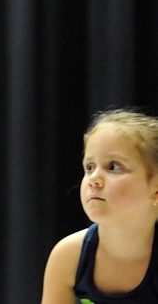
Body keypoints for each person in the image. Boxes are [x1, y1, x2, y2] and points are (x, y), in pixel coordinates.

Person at [41, 108, 158, 303]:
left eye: (114, 166)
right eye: (89, 167)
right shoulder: (68, 256)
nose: (94, 179)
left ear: (155, 189)